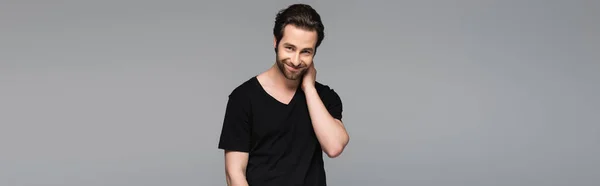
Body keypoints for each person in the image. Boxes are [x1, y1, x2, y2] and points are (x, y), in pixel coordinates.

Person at [217, 3, 350, 186]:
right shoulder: (243, 98)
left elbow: (334, 147)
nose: (295, 60)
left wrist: (309, 88)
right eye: (289, 48)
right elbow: (234, 174)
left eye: (305, 52)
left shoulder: (324, 96)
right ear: (275, 42)